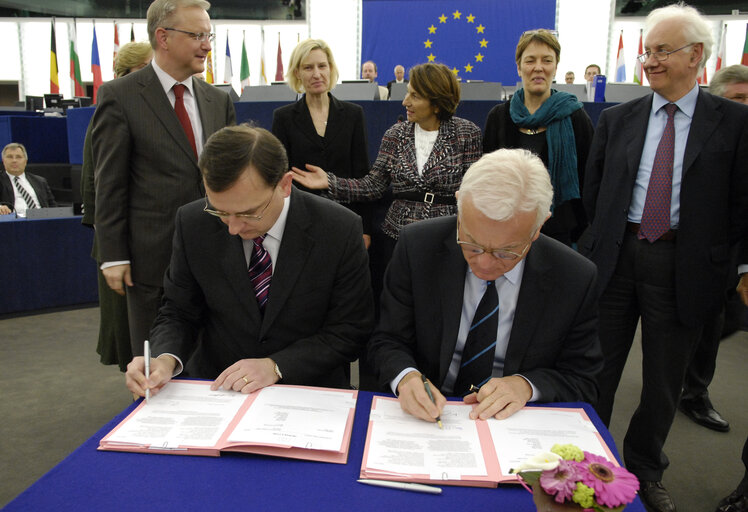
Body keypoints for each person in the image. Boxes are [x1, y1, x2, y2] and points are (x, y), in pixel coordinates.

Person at [580, 4, 748, 511]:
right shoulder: (616, 118)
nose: (649, 61)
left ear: (696, 56)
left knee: (663, 381)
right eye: (647, 51)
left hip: (687, 266)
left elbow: (742, 201)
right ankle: (585, 461)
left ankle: (644, 469)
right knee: (596, 369)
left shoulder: (736, 123)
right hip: (617, 257)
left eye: (661, 51)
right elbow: (595, 193)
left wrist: (738, 266)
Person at [125, 125, 374, 397]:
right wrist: (164, 358)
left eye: (248, 213)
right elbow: (178, 310)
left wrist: (277, 366)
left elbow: (350, 329)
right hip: (218, 388)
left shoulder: (338, 228)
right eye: (220, 210)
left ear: (285, 185)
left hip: (307, 391)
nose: (232, 227)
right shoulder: (193, 222)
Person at [368, 148, 603, 423]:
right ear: (459, 205)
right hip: (430, 415)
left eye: (507, 252)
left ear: (539, 226)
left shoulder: (574, 277)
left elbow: (584, 380)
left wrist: (526, 385)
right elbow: (386, 339)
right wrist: (406, 376)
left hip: (512, 421)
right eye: (471, 244)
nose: (485, 264)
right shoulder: (418, 246)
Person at [91, 0, 236, 358]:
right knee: (158, 362)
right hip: (151, 260)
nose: (207, 44)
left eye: (209, 35)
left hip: (219, 252)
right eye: (197, 35)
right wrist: (112, 255)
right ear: (164, 37)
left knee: (216, 358)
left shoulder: (219, 100)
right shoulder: (120, 96)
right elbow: (109, 183)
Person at [679, 64, 748, 433]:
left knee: (719, 321)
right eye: (738, 98)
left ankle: (694, 390)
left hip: (730, 250)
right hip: (694, 247)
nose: (745, 106)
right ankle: (686, 385)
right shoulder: (693, 134)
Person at [81, 41, 153, 371]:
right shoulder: (113, 112)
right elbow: (99, 190)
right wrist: (114, 251)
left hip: (141, 243)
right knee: (130, 333)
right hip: (122, 245)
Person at [483, 29, 594, 246]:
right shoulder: (498, 117)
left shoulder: (575, 116)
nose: (538, 67)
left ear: (555, 67)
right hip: (507, 229)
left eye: (547, 60)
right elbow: (487, 178)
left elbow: (589, 177)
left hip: (561, 233)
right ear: (519, 67)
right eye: (530, 60)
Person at [272, 39, 372, 248]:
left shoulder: (354, 114)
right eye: (308, 67)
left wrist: (365, 228)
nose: (317, 74)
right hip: (301, 221)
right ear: (297, 73)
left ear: (331, 68)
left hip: (347, 218)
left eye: (322, 66)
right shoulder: (284, 118)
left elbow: (362, 175)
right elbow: (279, 176)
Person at [0, 142, 56, 216]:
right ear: (3, 161)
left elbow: (53, 207)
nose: (14, 160)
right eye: (10, 157)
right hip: (14, 222)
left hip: (41, 219)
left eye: (18, 157)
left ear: (25, 161)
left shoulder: (40, 181)